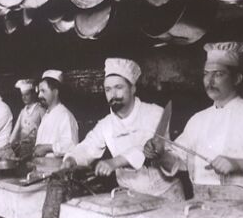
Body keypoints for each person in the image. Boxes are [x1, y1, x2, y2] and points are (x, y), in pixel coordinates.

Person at [145, 42, 243, 218]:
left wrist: (238, 164)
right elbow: (178, 160)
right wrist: (159, 155)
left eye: (218, 74)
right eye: (206, 74)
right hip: (202, 211)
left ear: (237, 78)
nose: (210, 81)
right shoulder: (198, 120)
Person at [62, 58, 183, 199]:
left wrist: (115, 162)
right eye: (108, 90)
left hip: (165, 195)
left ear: (133, 89)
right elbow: (88, 147)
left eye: (119, 88)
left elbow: (147, 147)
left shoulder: (154, 113)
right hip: (129, 198)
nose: (113, 95)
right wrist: (72, 159)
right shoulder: (106, 124)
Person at [33, 70, 78, 159]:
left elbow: (71, 146)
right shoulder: (46, 115)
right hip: (42, 169)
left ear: (55, 92)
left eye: (43, 91)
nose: (39, 95)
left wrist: (46, 148)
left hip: (56, 171)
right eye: (39, 92)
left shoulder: (65, 115)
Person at [9, 79, 45, 159]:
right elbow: (16, 130)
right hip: (22, 149)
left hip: (35, 148)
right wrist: (10, 144)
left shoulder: (40, 110)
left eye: (27, 95)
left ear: (33, 94)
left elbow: (45, 130)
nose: (24, 97)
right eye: (22, 95)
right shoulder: (23, 111)